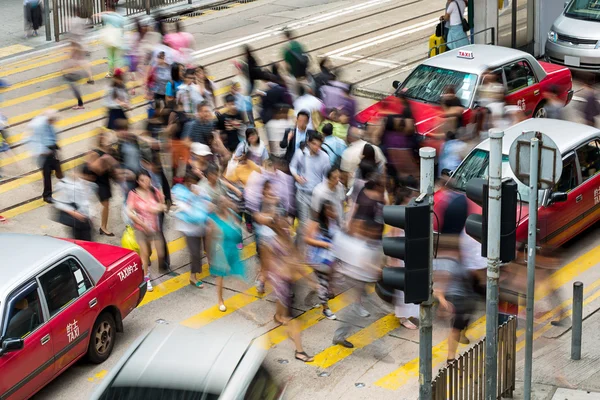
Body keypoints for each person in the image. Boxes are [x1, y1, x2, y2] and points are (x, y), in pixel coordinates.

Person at [126, 170, 167, 292]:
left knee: (159, 254)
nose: (146, 183)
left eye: (148, 180)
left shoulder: (154, 191)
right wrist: (140, 222)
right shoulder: (133, 194)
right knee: (144, 254)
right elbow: (129, 211)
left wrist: (159, 207)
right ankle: (146, 278)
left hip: (154, 228)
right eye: (143, 180)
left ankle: (146, 265)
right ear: (138, 181)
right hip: (140, 228)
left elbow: (163, 204)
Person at [289, 132, 331, 246]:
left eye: (319, 145)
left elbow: (326, 178)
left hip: (316, 197)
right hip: (302, 194)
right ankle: (300, 249)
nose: (317, 147)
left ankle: (298, 244)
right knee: (304, 223)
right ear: (308, 142)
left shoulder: (325, 157)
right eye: (314, 144)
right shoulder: (300, 153)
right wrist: (296, 176)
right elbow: (292, 166)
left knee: (312, 224)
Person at [205, 195, 246, 312]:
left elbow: (238, 226)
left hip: (232, 247)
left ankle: (244, 293)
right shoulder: (212, 220)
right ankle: (220, 300)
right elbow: (208, 238)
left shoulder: (231, 213)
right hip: (220, 248)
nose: (227, 201)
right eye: (224, 201)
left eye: (226, 200)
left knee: (238, 270)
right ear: (219, 205)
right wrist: (209, 255)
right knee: (220, 275)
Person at [172, 172, 209, 288]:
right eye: (191, 182)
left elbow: (207, 201)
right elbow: (183, 209)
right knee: (195, 252)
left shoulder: (197, 189)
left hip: (200, 226)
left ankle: (207, 268)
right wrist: (193, 197)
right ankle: (193, 277)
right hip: (188, 229)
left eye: (194, 182)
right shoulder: (178, 191)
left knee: (203, 249)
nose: (192, 184)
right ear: (186, 181)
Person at [305, 200, 339, 320]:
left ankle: (324, 293)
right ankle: (326, 308)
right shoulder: (315, 223)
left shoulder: (333, 221)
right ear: (324, 211)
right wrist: (325, 244)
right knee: (323, 284)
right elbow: (308, 239)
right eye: (330, 210)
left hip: (330, 259)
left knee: (329, 282)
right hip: (318, 259)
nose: (333, 212)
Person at [86, 128, 120, 236]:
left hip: (105, 179)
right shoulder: (94, 151)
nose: (103, 138)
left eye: (104, 135)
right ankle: (102, 227)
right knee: (104, 204)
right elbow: (93, 168)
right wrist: (104, 162)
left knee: (106, 204)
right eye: (101, 136)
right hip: (98, 181)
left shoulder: (107, 149)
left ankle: (103, 226)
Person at [53, 167, 96, 241]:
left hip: (85, 218)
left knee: (86, 239)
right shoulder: (65, 185)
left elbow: (85, 201)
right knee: (80, 239)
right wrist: (75, 213)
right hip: (77, 219)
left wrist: (90, 215)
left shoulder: (87, 184)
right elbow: (59, 203)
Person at [30, 110, 62, 203]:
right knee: (47, 175)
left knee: (58, 171)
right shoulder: (40, 127)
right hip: (44, 156)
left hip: (52, 152)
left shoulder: (49, 126)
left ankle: (62, 189)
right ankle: (47, 196)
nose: (54, 121)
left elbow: (52, 137)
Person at [97, 4, 126, 77]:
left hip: (110, 41)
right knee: (118, 58)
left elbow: (98, 15)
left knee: (111, 58)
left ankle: (111, 73)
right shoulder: (120, 17)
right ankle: (118, 71)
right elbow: (122, 28)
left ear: (110, 10)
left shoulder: (108, 17)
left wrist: (106, 13)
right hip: (118, 40)